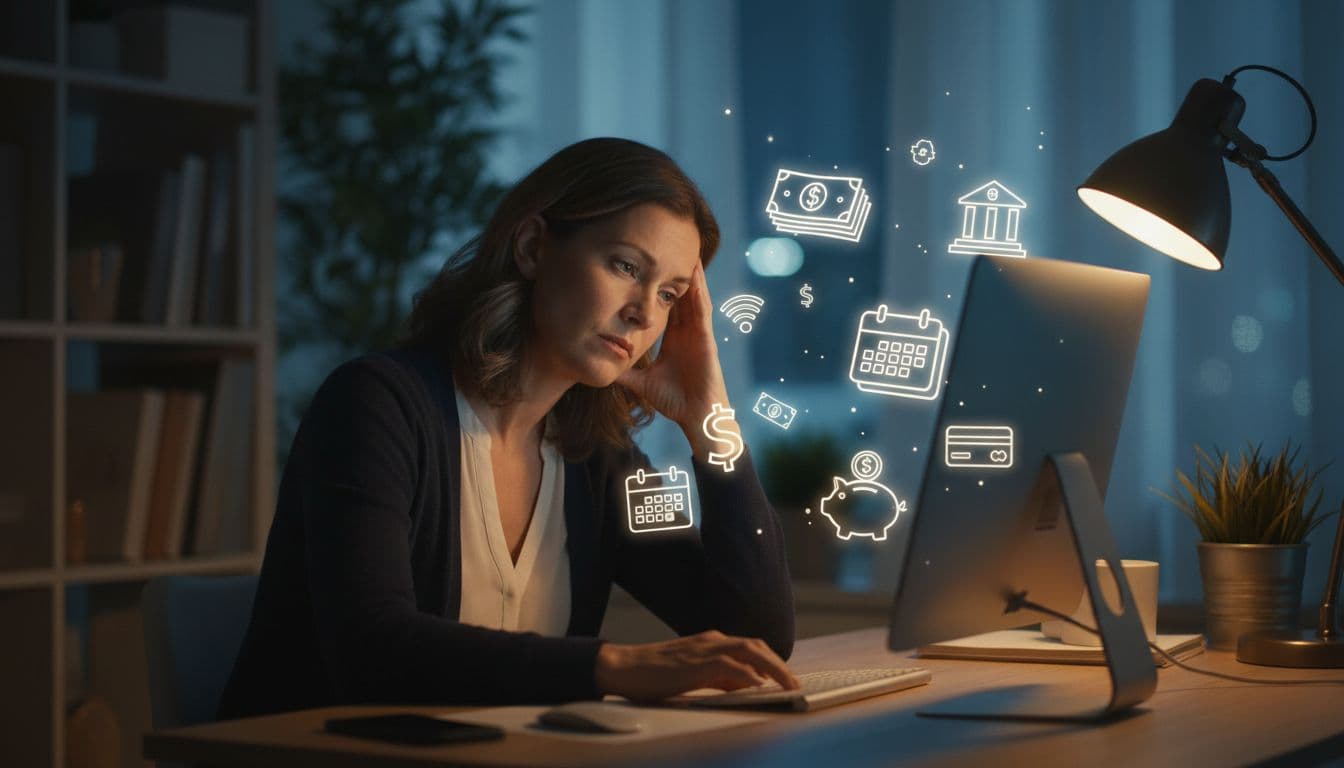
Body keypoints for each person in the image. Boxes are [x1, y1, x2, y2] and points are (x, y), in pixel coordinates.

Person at [217, 137, 798, 719]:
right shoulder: (375, 404)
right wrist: (614, 666)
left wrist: (710, 418)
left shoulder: (597, 459)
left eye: (670, 294)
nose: (645, 314)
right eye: (625, 266)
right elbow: (371, 651)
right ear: (532, 246)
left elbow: (756, 638)